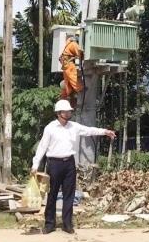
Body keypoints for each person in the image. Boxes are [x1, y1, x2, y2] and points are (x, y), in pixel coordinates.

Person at [32, 100, 115, 234]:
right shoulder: (50, 128)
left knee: (69, 195)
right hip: (54, 164)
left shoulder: (74, 126)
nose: (69, 113)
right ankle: (49, 224)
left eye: (69, 111)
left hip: (69, 164)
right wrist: (35, 165)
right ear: (59, 113)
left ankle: (67, 224)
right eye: (66, 111)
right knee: (52, 194)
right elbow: (42, 147)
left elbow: (89, 130)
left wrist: (104, 131)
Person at [58, 30, 83, 106]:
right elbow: (79, 55)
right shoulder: (74, 44)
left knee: (67, 82)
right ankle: (79, 89)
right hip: (69, 64)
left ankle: (65, 97)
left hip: (65, 64)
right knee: (72, 76)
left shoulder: (69, 42)